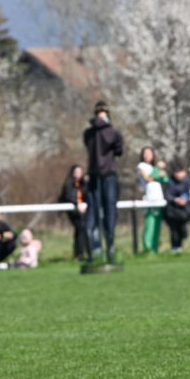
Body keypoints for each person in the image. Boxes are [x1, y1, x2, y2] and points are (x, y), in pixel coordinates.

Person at [84, 100, 124, 263]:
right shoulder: (113, 132)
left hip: (93, 174)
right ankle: (110, 248)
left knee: (93, 212)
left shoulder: (88, 133)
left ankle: (93, 250)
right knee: (109, 212)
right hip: (108, 175)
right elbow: (119, 151)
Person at [59, 164, 90, 261]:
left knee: (82, 229)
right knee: (80, 227)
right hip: (73, 211)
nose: (78, 174)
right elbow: (68, 196)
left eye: (80, 172)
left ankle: (83, 253)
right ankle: (79, 253)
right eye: (76, 172)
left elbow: (87, 195)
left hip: (83, 209)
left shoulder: (84, 184)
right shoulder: (69, 184)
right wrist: (77, 205)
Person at [163, 163, 190, 254]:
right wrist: (175, 200)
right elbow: (168, 195)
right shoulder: (169, 182)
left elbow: (189, 193)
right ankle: (174, 247)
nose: (179, 175)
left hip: (183, 210)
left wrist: (184, 199)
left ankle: (179, 247)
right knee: (174, 229)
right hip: (172, 210)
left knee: (181, 228)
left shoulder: (187, 181)